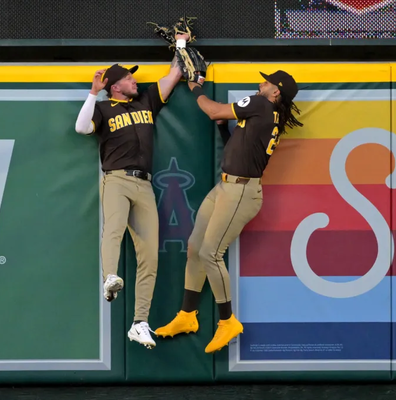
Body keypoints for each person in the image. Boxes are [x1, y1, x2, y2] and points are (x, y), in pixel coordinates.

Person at [155, 70, 304, 353]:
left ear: (276, 92)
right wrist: (224, 129)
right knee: (195, 247)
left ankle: (228, 321)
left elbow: (213, 111)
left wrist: (195, 87)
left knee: (210, 253)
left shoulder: (261, 104)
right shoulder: (267, 113)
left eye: (267, 82)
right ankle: (187, 315)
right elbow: (238, 147)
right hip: (227, 187)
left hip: (241, 191)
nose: (260, 83)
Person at [74, 33, 189, 350]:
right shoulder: (103, 108)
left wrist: (180, 45)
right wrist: (93, 93)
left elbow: (174, 74)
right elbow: (81, 128)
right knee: (113, 228)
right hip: (117, 179)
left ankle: (140, 323)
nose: (133, 80)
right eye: (127, 77)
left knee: (150, 254)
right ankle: (109, 277)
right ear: (114, 86)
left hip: (145, 185)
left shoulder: (146, 101)